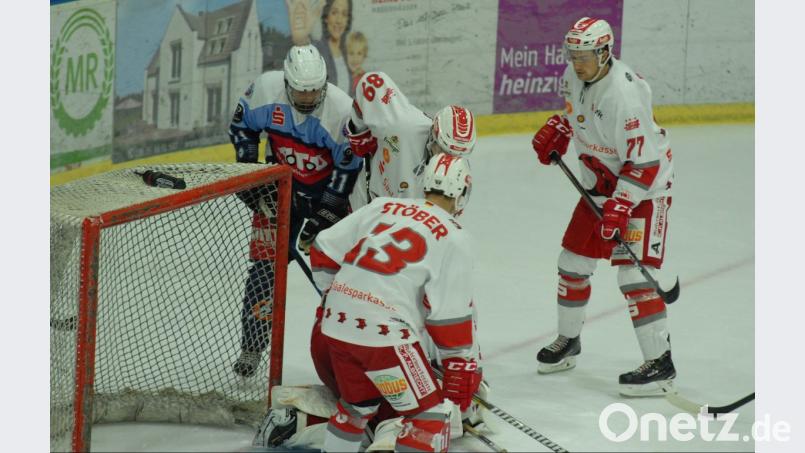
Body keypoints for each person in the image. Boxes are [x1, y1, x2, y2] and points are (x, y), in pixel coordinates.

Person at [531, 17, 676, 397]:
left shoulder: (624, 95)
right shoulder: (574, 74)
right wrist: (560, 130)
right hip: (598, 186)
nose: (576, 63)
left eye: (584, 56)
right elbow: (576, 116)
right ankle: (569, 342)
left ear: (605, 51)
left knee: (633, 278)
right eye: (572, 54)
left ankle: (660, 365)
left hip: (644, 192)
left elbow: (645, 163)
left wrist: (620, 207)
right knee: (572, 264)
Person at [312, 154, 481, 452]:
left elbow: (323, 247)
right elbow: (448, 317)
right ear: (463, 193)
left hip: (334, 325)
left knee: (356, 408)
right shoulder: (455, 237)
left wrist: (332, 297)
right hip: (384, 336)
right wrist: (459, 364)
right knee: (429, 418)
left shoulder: (383, 205)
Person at [227, 44, 361, 378]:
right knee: (264, 270)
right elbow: (242, 131)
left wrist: (326, 215)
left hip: (326, 193)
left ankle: (353, 342)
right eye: (300, 91)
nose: (307, 98)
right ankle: (252, 346)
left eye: (314, 90)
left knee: (339, 275)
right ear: (287, 83)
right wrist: (255, 186)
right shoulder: (264, 91)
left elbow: (347, 171)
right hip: (280, 191)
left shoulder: (341, 111)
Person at [345, 71, 477, 210]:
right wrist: (360, 135)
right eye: (444, 150)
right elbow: (372, 81)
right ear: (433, 134)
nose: (449, 160)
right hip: (364, 206)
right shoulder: (403, 127)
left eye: (457, 155)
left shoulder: (458, 177)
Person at [314, 0, 353, 94]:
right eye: (334, 12)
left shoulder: (349, 53)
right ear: (326, 17)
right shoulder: (316, 51)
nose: (339, 20)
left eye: (344, 14)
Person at [345, 31, 368, 96]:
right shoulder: (344, 75)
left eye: (359, 53)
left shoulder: (365, 79)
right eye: (351, 53)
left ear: (364, 55)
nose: (355, 59)